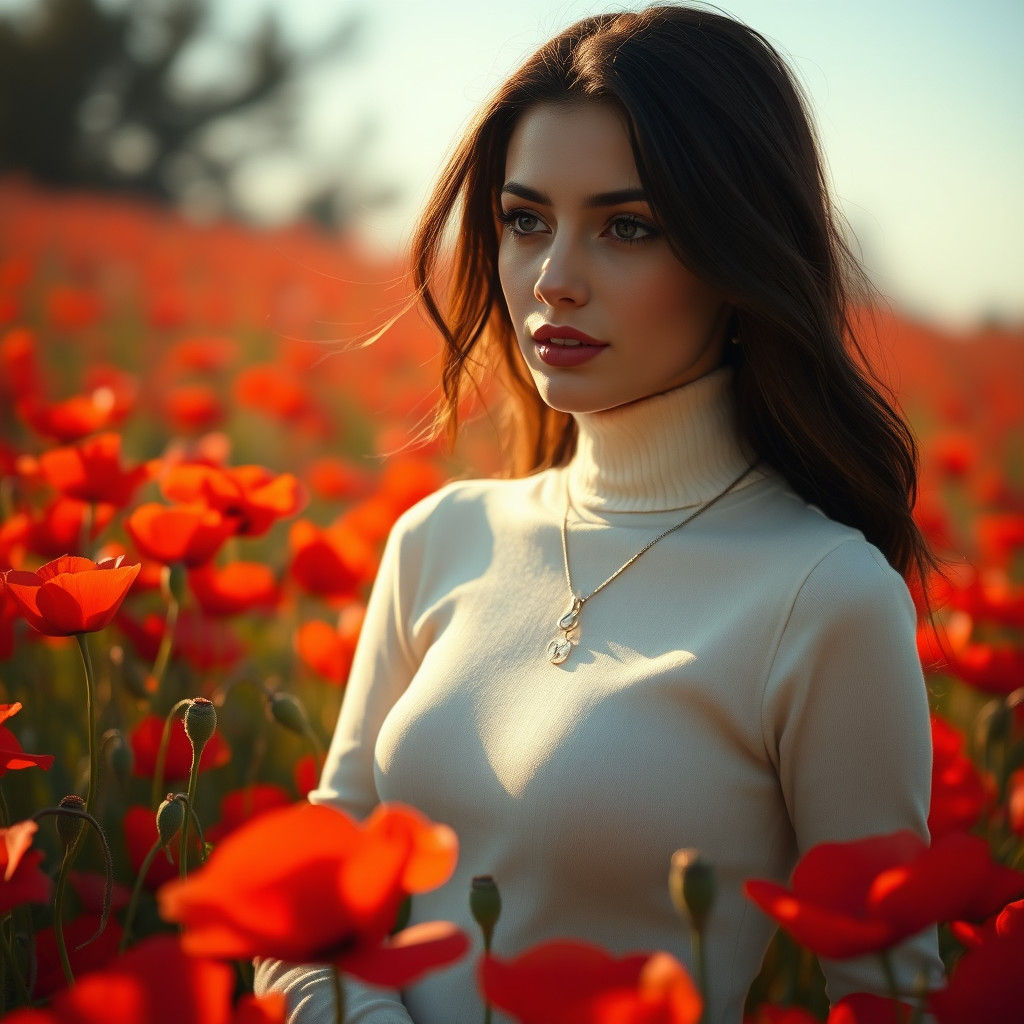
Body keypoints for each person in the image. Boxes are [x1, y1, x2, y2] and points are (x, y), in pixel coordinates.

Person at [255, 4, 946, 1021]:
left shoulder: (824, 596)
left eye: (628, 228)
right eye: (525, 219)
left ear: (738, 254)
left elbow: (888, 993)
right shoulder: (438, 539)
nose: (554, 280)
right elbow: (305, 904)